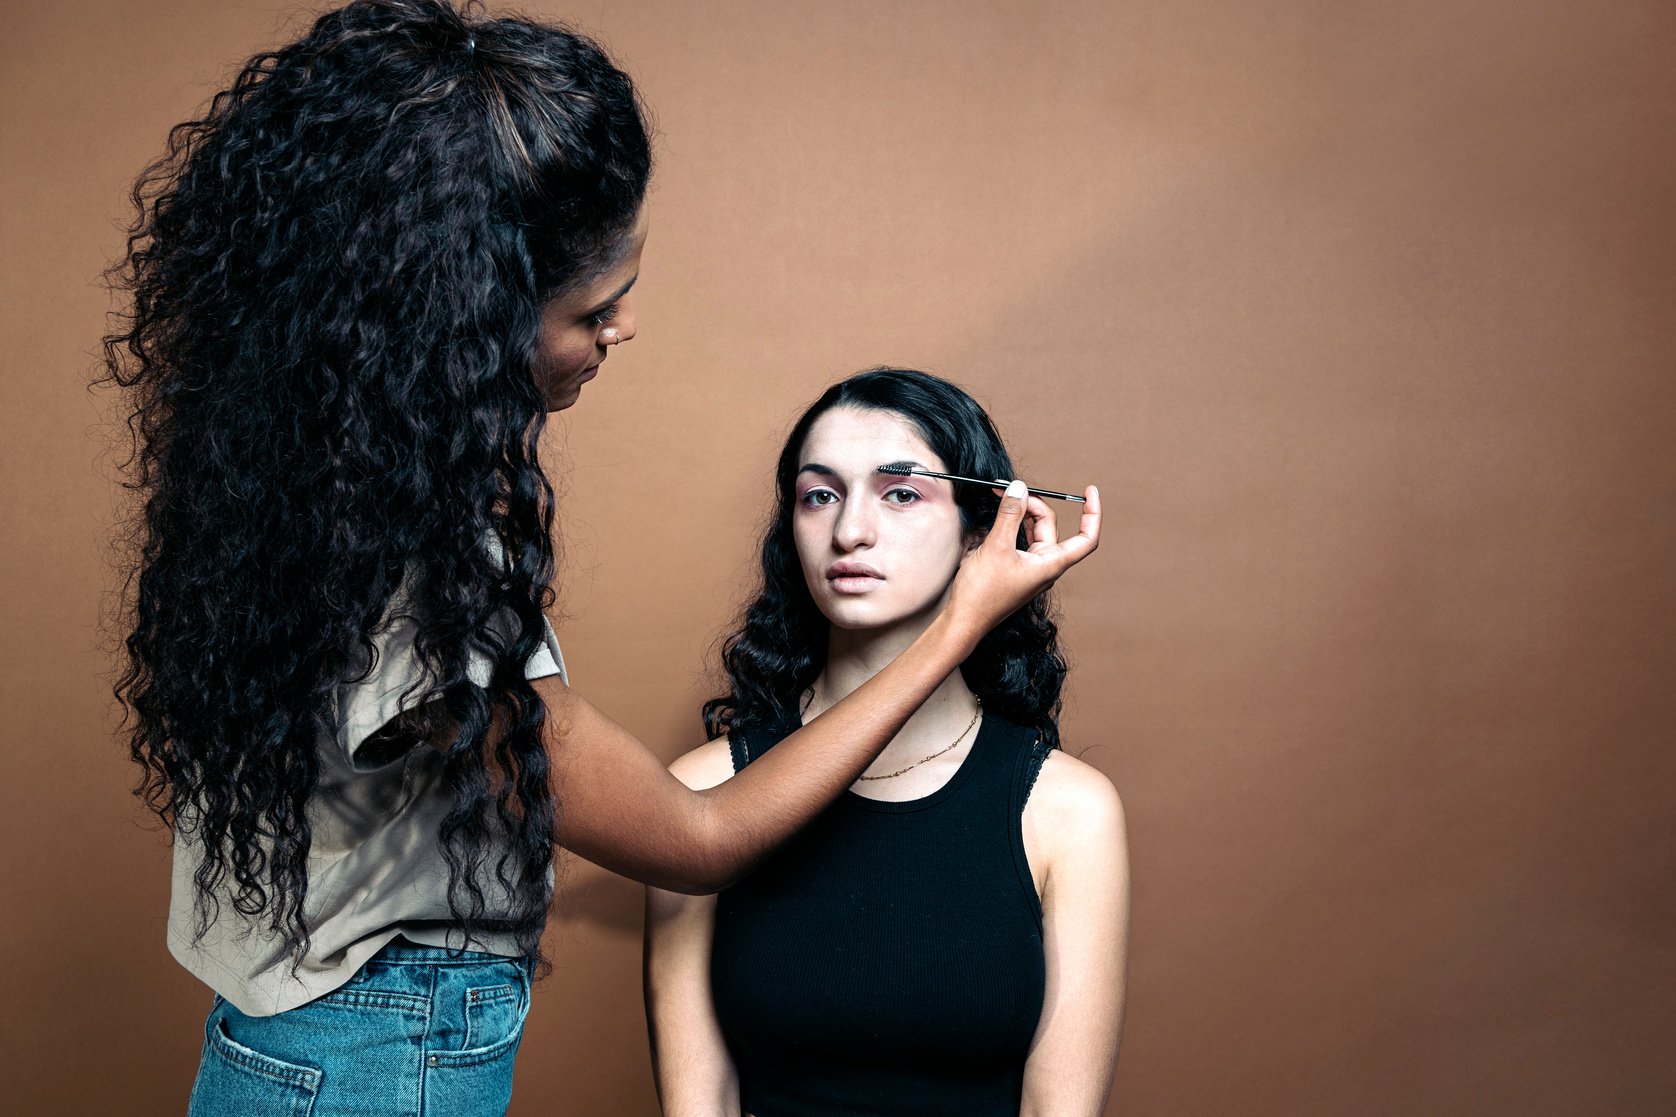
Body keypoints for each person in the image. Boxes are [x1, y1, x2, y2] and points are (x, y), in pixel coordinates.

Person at [102, 3, 1100, 1114]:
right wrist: (962, 622)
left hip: (293, 1045)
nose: (618, 330)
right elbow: (701, 840)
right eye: (594, 306)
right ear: (467, 320)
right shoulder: (417, 574)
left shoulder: (309, 486)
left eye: (898, 491)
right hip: (374, 1059)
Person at [645, 369, 1128, 1117]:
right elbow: (693, 1104)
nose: (849, 531)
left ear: (983, 527)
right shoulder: (700, 795)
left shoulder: (1068, 812)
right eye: (820, 494)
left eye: (900, 492)